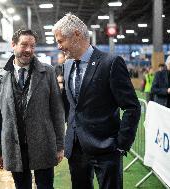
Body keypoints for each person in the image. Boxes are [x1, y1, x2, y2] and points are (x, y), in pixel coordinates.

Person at [52, 13, 141, 189]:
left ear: (77, 34)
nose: (59, 46)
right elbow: (72, 106)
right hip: (76, 149)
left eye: (61, 41)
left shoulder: (111, 62)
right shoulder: (67, 65)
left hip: (107, 149)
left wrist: (121, 144)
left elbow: (132, 107)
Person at [0, 29, 65, 189]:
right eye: (24, 45)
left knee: (45, 186)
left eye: (32, 46)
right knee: (21, 186)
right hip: (13, 144)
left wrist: (60, 145)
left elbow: (57, 111)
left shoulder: (48, 72)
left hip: (43, 143)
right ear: (13, 45)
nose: (29, 50)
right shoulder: (0, 76)